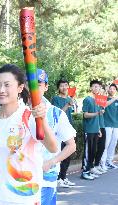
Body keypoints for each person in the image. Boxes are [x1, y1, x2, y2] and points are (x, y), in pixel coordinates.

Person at [0, 64, 57, 205]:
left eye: (7, 85)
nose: (1, 90)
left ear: (20, 88)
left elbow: (52, 148)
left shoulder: (29, 116)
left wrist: (42, 121)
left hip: (25, 197)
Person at [36, 72, 76, 205]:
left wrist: (52, 161)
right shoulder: (15, 111)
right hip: (18, 180)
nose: (33, 88)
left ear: (45, 87)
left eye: (38, 84)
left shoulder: (55, 114)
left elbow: (71, 145)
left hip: (45, 179)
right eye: (29, 84)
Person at [51, 79, 77, 188]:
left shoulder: (69, 98)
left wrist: (72, 104)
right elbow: (56, 114)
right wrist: (67, 104)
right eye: (62, 86)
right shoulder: (55, 99)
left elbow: (74, 113)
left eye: (66, 85)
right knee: (60, 154)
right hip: (58, 130)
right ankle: (57, 178)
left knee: (68, 155)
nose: (64, 87)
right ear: (58, 88)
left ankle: (63, 177)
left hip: (68, 129)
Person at [81, 80, 104, 180]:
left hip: (95, 130)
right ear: (91, 88)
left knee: (92, 151)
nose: (96, 88)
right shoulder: (87, 99)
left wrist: (98, 129)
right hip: (88, 129)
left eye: (98, 87)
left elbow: (98, 117)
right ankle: (85, 172)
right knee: (87, 151)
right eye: (94, 86)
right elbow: (85, 114)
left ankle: (90, 170)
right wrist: (97, 114)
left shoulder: (98, 100)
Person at [101, 83, 118, 169]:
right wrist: (114, 98)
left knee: (113, 144)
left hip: (116, 125)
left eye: (113, 89)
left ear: (116, 90)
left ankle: (109, 161)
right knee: (106, 144)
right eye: (110, 89)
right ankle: (102, 163)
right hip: (107, 124)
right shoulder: (105, 98)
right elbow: (103, 105)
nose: (112, 90)